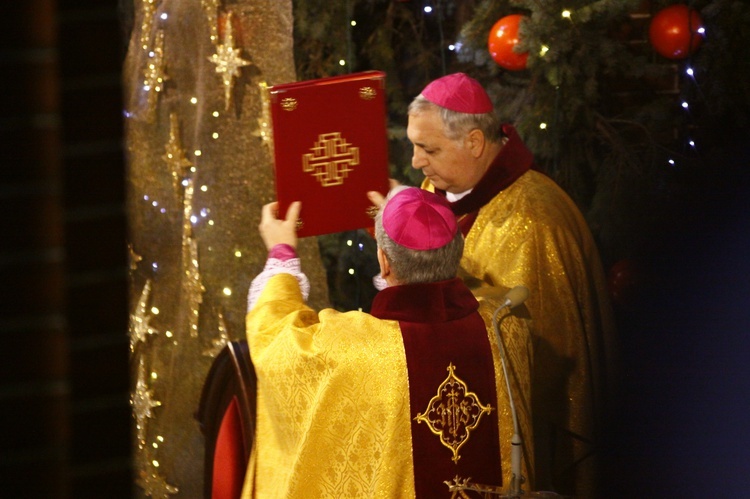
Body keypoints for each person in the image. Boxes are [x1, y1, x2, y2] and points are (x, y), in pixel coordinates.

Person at [241, 187, 535, 498]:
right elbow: (435, 293)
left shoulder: (355, 351)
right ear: (457, 249)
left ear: (383, 261)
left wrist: (282, 254)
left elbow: (275, 337)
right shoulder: (507, 326)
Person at [407, 72, 618, 497]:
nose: (415, 162)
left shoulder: (533, 221)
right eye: (415, 145)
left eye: (428, 148)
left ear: (474, 143)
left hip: (533, 430)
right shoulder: (439, 185)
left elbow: (541, 360)